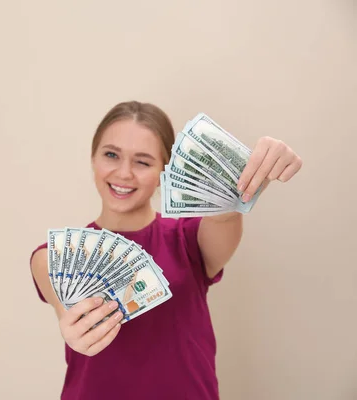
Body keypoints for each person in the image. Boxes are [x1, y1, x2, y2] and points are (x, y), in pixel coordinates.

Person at [29, 101, 302, 400]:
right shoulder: (52, 257)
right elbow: (66, 308)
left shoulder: (189, 238)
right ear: (93, 158)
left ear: (165, 171)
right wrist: (74, 330)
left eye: (142, 162)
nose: (123, 173)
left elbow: (225, 213)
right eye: (111, 155)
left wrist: (253, 170)